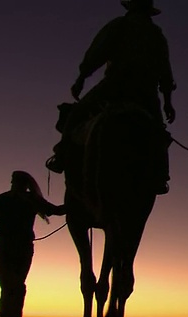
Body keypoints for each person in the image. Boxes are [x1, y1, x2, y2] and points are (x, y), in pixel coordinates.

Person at [46, 0, 176, 194]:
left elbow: (97, 52)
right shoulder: (157, 35)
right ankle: (160, 176)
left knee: (77, 113)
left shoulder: (119, 25)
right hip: (146, 92)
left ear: (131, 7)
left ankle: (61, 155)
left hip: (115, 85)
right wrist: (167, 102)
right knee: (158, 133)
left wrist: (82, 77)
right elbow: (165, 71)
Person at [0, 171, 66, 317]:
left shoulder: (17, 199)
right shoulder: (19, 200)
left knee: (13, 287)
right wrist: (7, 235)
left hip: (17, 248)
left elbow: (55, 211)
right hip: (11, 248)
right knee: (13, 286)